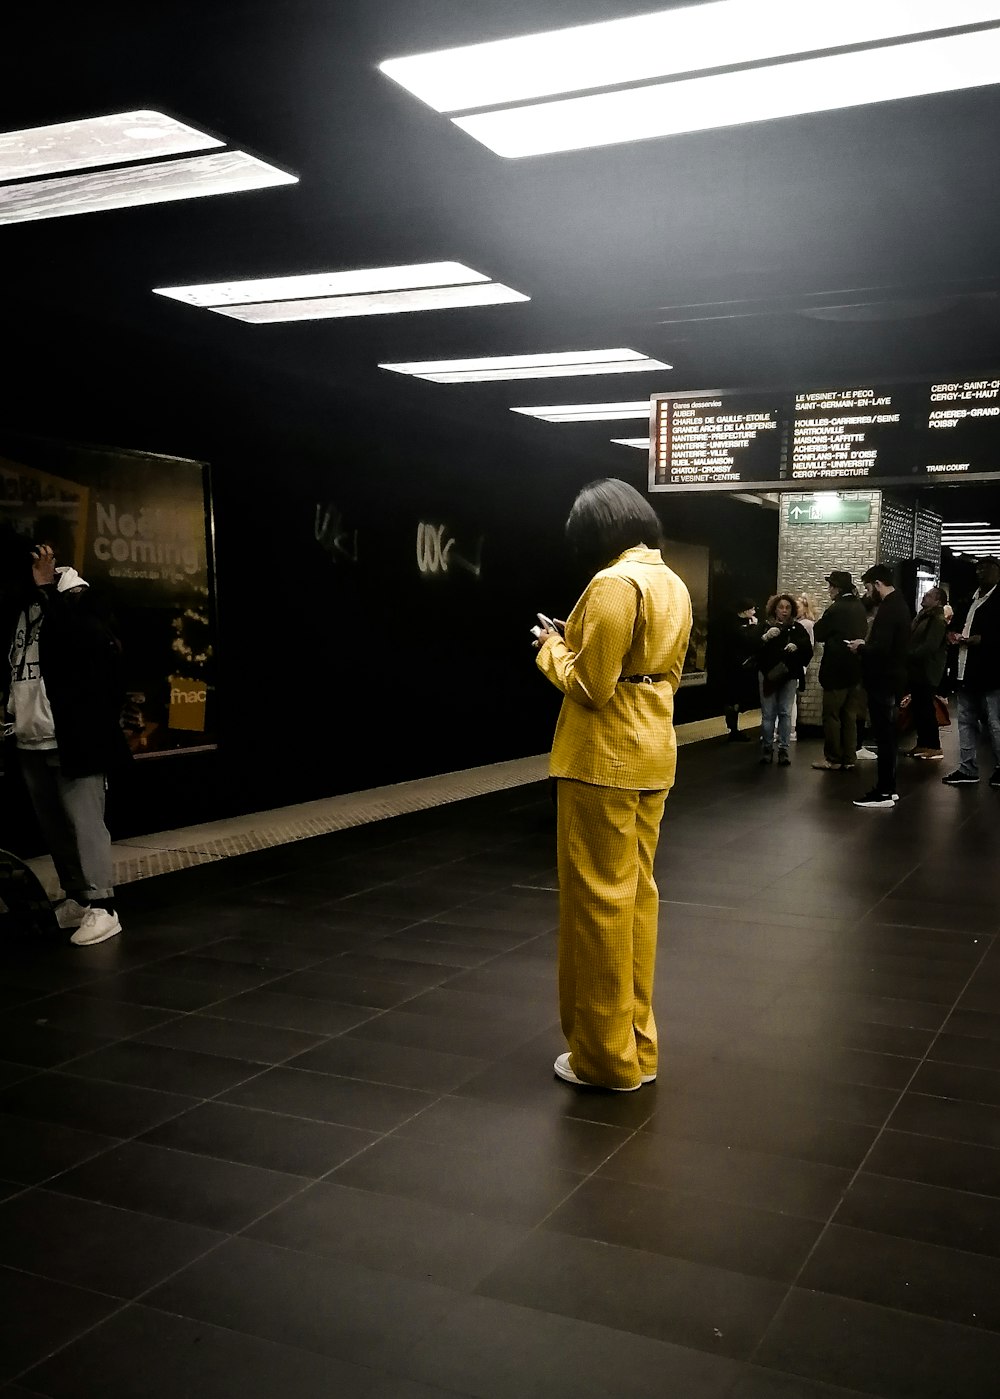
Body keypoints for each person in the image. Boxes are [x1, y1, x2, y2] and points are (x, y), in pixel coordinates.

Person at [534, 479, 692, 1092]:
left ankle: (602, 1059)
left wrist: (551, 648)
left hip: (601, 761)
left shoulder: (610, 584)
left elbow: (592, 687)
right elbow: (664, 674)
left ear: (597, 531)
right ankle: (639, 1050)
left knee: (597, 902)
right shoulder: (671, 583)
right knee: (637, 898)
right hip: (654, 752)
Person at [1, 541, 129, 944]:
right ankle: (78, 896)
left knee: (85, 821)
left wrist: (48, 590)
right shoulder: (22, 610)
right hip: (29, 734)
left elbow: (86, 643)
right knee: (54, 825)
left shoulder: (78, 599)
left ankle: (103, 905)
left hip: (73, 736)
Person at [848, 564, 911, 808]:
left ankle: (883, 791)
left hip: (883, 679)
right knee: (888, 736)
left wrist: (860, 647)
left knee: (884, 736)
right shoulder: (901, 604)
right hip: (893, 678)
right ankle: (889, 788)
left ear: (876, 584)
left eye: (867, 587)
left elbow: (882, 649)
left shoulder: (889, 608)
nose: (866, 593)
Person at [942, 554, 1000, 788]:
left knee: (995, 722)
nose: (980, 572)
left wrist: (981, 640)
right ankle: (967, 768)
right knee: (965, 720)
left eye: (986, 568)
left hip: (991, 671)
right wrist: (952, 634)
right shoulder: (969, 600)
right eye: (978, 568)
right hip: (965, 670)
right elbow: (955, 625)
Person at [811, 571, 867, 771]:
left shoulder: (836, 608)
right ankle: (849, 757)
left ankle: (833, 757)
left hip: (835, 670)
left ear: (836, 588)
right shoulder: (859, 607)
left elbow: (819, 632)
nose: (829, 590)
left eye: (830, 586)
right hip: (854, 669)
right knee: (849, 715)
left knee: (832, 715)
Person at [751, 594, 812, 766]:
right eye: (781, 607)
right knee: (768, 713)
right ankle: (767, 748)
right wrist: (766, 637)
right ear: (774, 609)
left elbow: (808, 651)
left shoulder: (798, 629)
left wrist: (797, 647)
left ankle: (783, 749)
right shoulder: (765, 627)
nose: (784, 611)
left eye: (788, 608)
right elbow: (752, 647)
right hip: (768, 674)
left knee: (785, 712)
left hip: (789, 675)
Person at [906, 585, 949, 760]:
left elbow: (930, 646)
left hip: (927, 670)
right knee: (919, 707)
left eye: (929, 595)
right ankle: (923, 743)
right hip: (917, 670)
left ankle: (933, 745)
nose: (925, 597)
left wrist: (909, 654)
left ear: (938, 601)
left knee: (925, 708)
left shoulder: (937, 620)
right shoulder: (923, 616)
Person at [707, 596, 757, 741]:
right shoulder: (735, 626)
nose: (754, 612)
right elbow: (748, 643)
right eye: (752, 609)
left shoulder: (723, 621)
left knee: (730, 699)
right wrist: (753, 627)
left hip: (722, 668)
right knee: (733, 698)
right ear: (744, 610)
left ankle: (732, 728)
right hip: (733, 669)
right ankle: (734, 729)